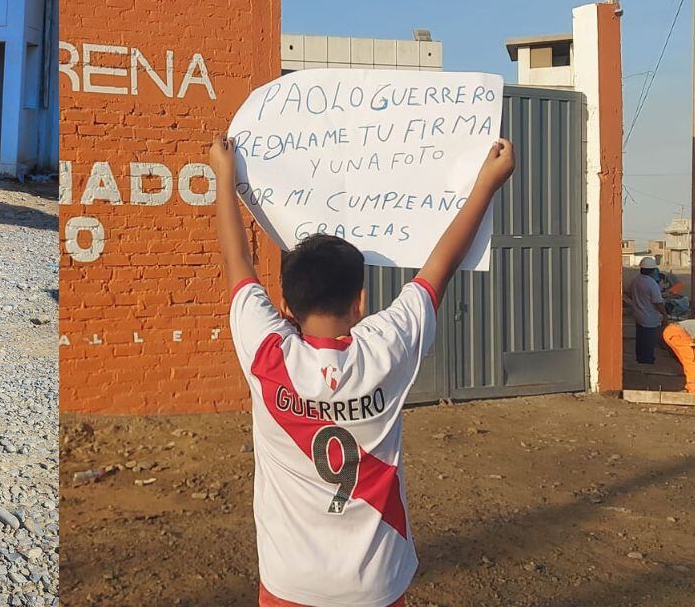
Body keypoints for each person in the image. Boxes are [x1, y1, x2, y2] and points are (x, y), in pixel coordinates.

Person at [210, 134, 515, 607]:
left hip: (289, 581)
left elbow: (237, 264)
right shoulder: (386, 348)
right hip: (376, 583)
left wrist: (224, 179)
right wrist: (486, 184)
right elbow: (441, 265)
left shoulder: (268, 354)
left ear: (286, 304)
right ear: (361, 303)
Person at [627, 257, 667, 365]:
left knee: (640, 339)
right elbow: (658, 303)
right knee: (649, 341)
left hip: (638, 316)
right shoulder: (652, 284)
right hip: (649, 318)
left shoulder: (635, 280)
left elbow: (629, 293)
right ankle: (648, 361)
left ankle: (640, 359)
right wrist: (665, 315)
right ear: (653, 270)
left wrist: (639, 301)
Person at [661, 319, 695, 393]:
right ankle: (694, 391)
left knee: (689, 362)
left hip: (674, 332)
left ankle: (690, 387)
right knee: (694, 361)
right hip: (678, 332)